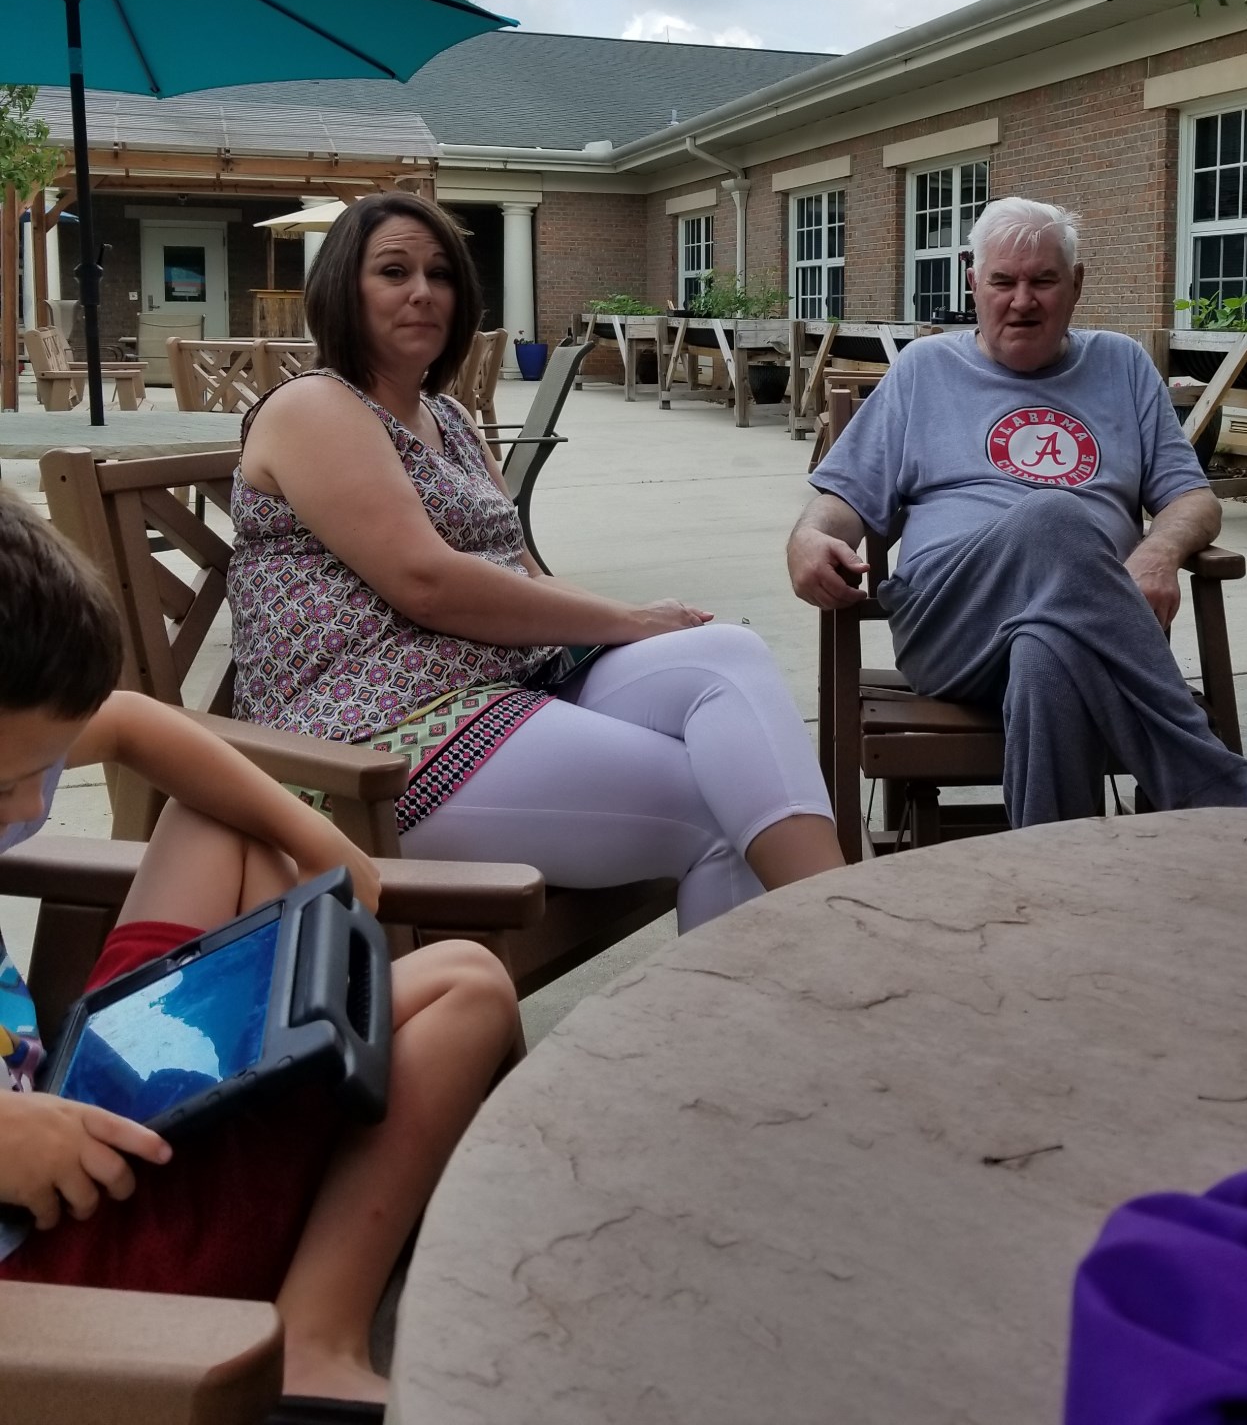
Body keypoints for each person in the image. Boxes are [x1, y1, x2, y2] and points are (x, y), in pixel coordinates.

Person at [0, 489, 521, 1404]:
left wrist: (320, 839)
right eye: (3, 785)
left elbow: (134, 722)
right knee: (464, 986)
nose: (29, 807)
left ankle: (278, 1065)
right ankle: (315, 1338)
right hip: (61, 1283)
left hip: (78, 1103)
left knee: (220, 825)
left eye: (43, 771)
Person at [229, 191, 842, 930]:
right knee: (720, 812)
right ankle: (834, 951)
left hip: (504, 686)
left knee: (728, 656)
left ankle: (846, 929)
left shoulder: (449, 417)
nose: (423, 292)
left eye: (440, 274)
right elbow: (428, 585)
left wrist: (633, 624)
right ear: (341, 290)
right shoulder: (315, 407)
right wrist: (629, 620)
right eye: (393, 271)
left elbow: (522, 571)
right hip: (375, 742)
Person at [787, 196, 1247, 826]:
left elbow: (1193, 497)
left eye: (1043, 280)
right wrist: (808, 536)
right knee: (1054, 516)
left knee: (1049, 653)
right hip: (950, 624)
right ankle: (1216, 790)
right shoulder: (925, 370)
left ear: (1076, 285)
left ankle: (1051, 873)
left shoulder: (1121, 365)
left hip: (1088, 629)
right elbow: (844, 498)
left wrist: (1158, 552)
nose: (1022, 301)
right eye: (1003, 282)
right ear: (973, 283)